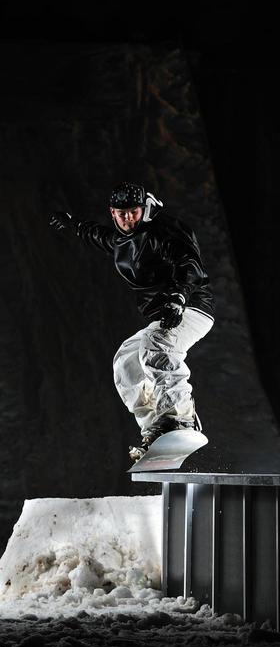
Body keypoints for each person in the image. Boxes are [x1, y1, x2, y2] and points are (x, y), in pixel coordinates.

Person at [50, 182, 215, 462]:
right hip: (165, 315)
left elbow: (190, 264)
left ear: (145, 209)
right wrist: (72, 224)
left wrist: (178, 295)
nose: (127, 219)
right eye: (120, 213)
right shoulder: (119, 241)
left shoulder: (165, 231)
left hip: (192, 307)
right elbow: (96, 234)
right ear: (112, 213)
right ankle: (156, 425)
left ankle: (182, 417)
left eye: (133, 213)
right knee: (126, 359)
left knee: (158, 344)